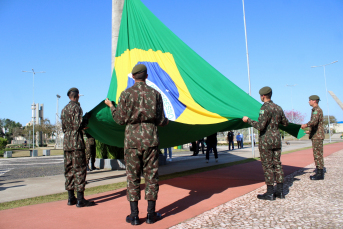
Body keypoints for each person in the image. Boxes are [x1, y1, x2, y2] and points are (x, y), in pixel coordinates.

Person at [104, 64, 169, 225]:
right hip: (150, 140)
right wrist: (167, 122)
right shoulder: (155, 94)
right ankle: (150, 215)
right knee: (151, 177)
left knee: (132, 177)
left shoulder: (126, 94)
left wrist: (112, 106)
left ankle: (134, 216)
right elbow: (161, 120)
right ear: (146, 76)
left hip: (132, 141)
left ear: (133, 77)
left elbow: (119, 119)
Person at [242, 86, 289, 201]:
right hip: (277, 140)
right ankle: (280, 192)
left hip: (266, 141)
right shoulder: (278, 108)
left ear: (263, 96)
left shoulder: (264, 108)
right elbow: (285, 123)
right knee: (277, 164)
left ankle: (269, 193)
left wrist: (248, 120)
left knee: (268, 166)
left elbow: (260, 126)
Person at [61, 87, 95, 208]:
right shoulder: (77, 108)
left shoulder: (64, 110)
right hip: (76, 142)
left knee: (69, 170)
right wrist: (86, 117)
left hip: (67, 143)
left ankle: (71, 198)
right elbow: (80, 124)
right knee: (79, 170)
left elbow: (64, 128)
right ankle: (80, 199)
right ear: (77, 96)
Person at [301, 95, 325, 180]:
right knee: (317, 154)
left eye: (310, 100)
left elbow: (314, 122)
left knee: (318, 154)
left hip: (317, 136)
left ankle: (320, 173)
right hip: (316, 135)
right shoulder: (315, 110)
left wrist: (306, 125)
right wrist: (310, 131)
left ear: (314, 101)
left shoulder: (317, 110)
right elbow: (317, 124)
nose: (309, 101)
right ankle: (319, 171)